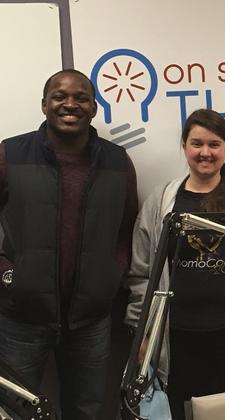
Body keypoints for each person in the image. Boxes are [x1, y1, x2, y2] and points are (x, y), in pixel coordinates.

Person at [0, 69, 138, 420]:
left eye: (81, 97)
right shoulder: (9, 154)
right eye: (60, 96)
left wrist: (110, 275)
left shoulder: (118, 161)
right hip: (21, 317)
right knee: (14, 413)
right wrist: (7, 275)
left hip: (90, 320)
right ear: (44, 104)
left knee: (86, 411)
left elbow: (125, 231)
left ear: (94, 108)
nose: (70, 104)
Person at [125, 109, 225, 420]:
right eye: (196, 144)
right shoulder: (163, 201)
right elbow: (142, 273)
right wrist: (142, 336)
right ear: (184, 146)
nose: (205, 153)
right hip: (178, 337)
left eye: (214, 144)